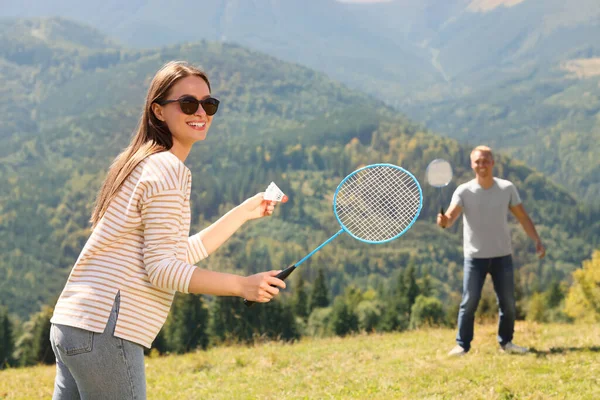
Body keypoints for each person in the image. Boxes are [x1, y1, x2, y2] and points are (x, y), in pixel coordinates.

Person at [49, 60, 286, 399]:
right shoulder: (167, 169)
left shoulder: (140, 161)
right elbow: (162, 270)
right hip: (105, 330)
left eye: (209, 104)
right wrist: (241, 285)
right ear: (158, 111)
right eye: (188, 103)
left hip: (73, 324)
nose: (201, 112)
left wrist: (243, 213)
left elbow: (175, 254)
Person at [437, 145, 545, 356]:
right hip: (474, 257)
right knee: (469, 303)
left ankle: (506, 343)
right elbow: (449, 219)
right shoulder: (463, 191)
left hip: (502, 255)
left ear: (493, 163)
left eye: (486, 160)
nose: (482, 165)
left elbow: (522, 217)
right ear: (472, 164)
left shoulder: (506, 188)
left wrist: (537, 240)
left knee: (508, 303)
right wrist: (443, 221)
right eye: (478, 161)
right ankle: (462, 345)